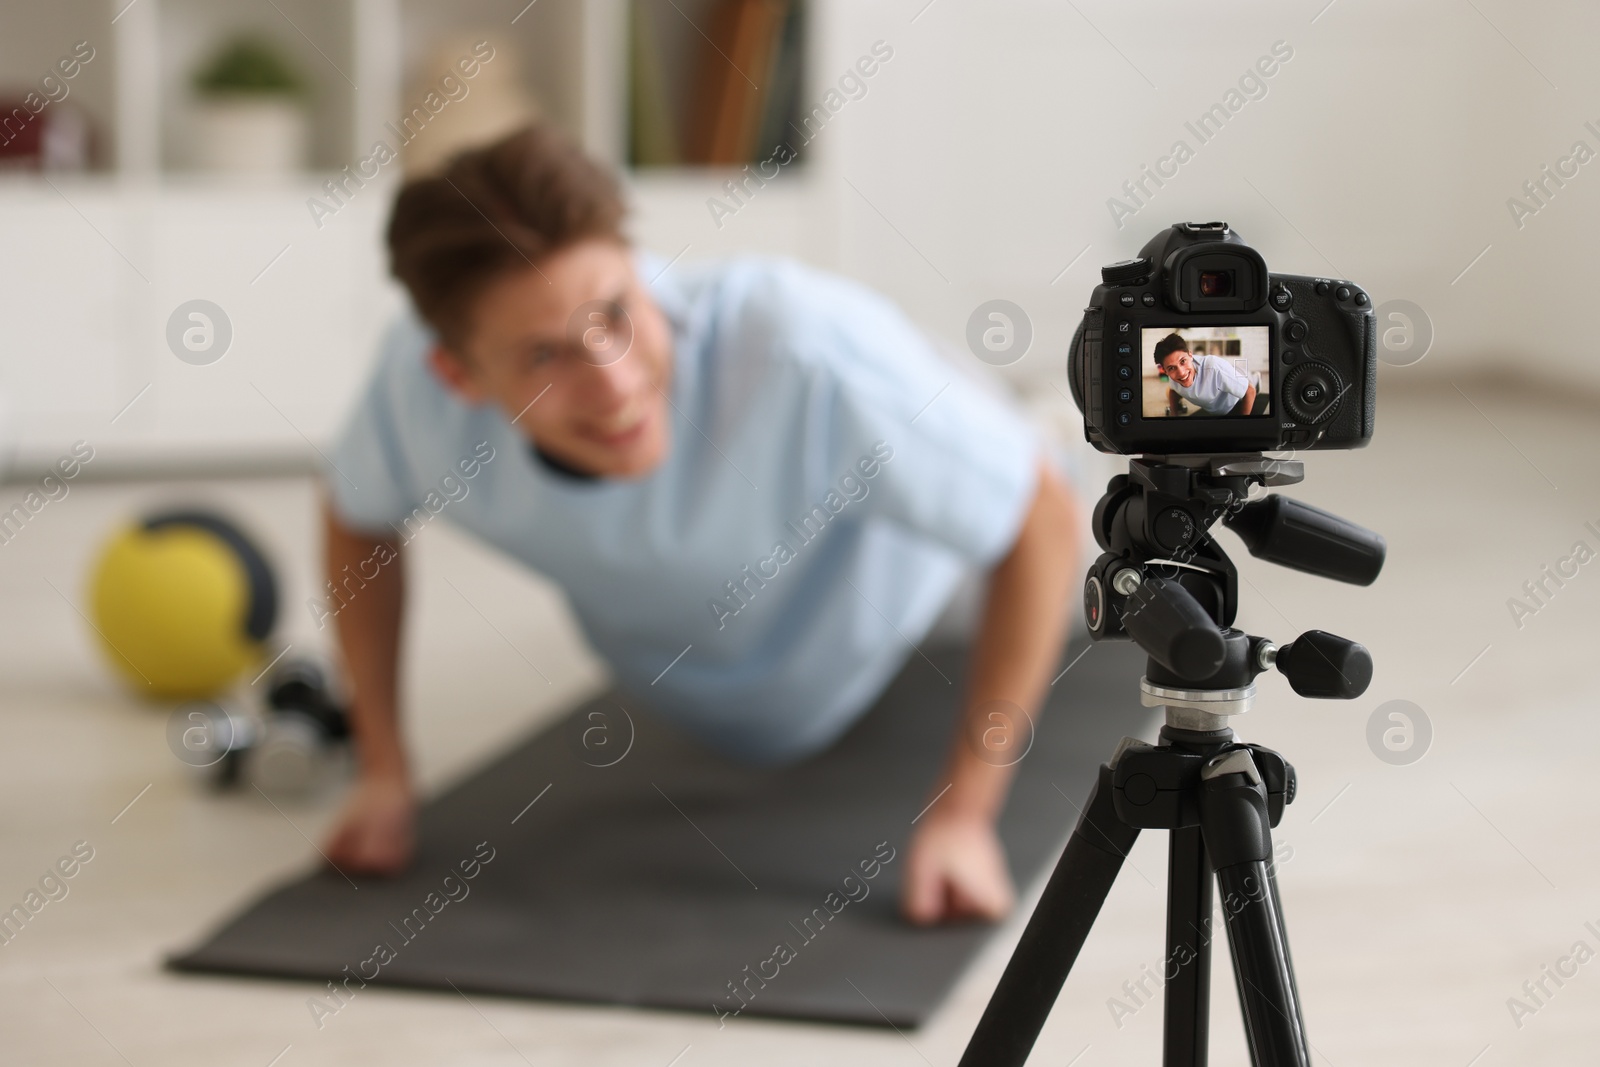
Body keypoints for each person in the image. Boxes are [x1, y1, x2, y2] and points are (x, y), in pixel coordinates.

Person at [318, 123, 1082, 927]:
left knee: (1048, 478)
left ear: (640, 270)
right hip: (722, 670)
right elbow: (355, 511)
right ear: (457, 376)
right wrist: (383, 767)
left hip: (926, 595)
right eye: (546, 356)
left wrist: (965, 816)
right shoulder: (413, 394)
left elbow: (1040, 519)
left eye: (617, 310)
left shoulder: (803, 349)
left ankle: (1032, 412)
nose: (614, 386)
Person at [1154, 332, 1257, 416]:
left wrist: (1243, 426)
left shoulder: (1214, 367)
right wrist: (1174, 414)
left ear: (1190, 355)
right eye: (1171, 368)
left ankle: (1256, 376)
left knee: (1250, 379)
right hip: (1222, 385)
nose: (1181, 373)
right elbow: (1173, 391)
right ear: (1165, 371)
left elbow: (1250, 390)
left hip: (1237, 398)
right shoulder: (1173, 377)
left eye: (1183, 361)